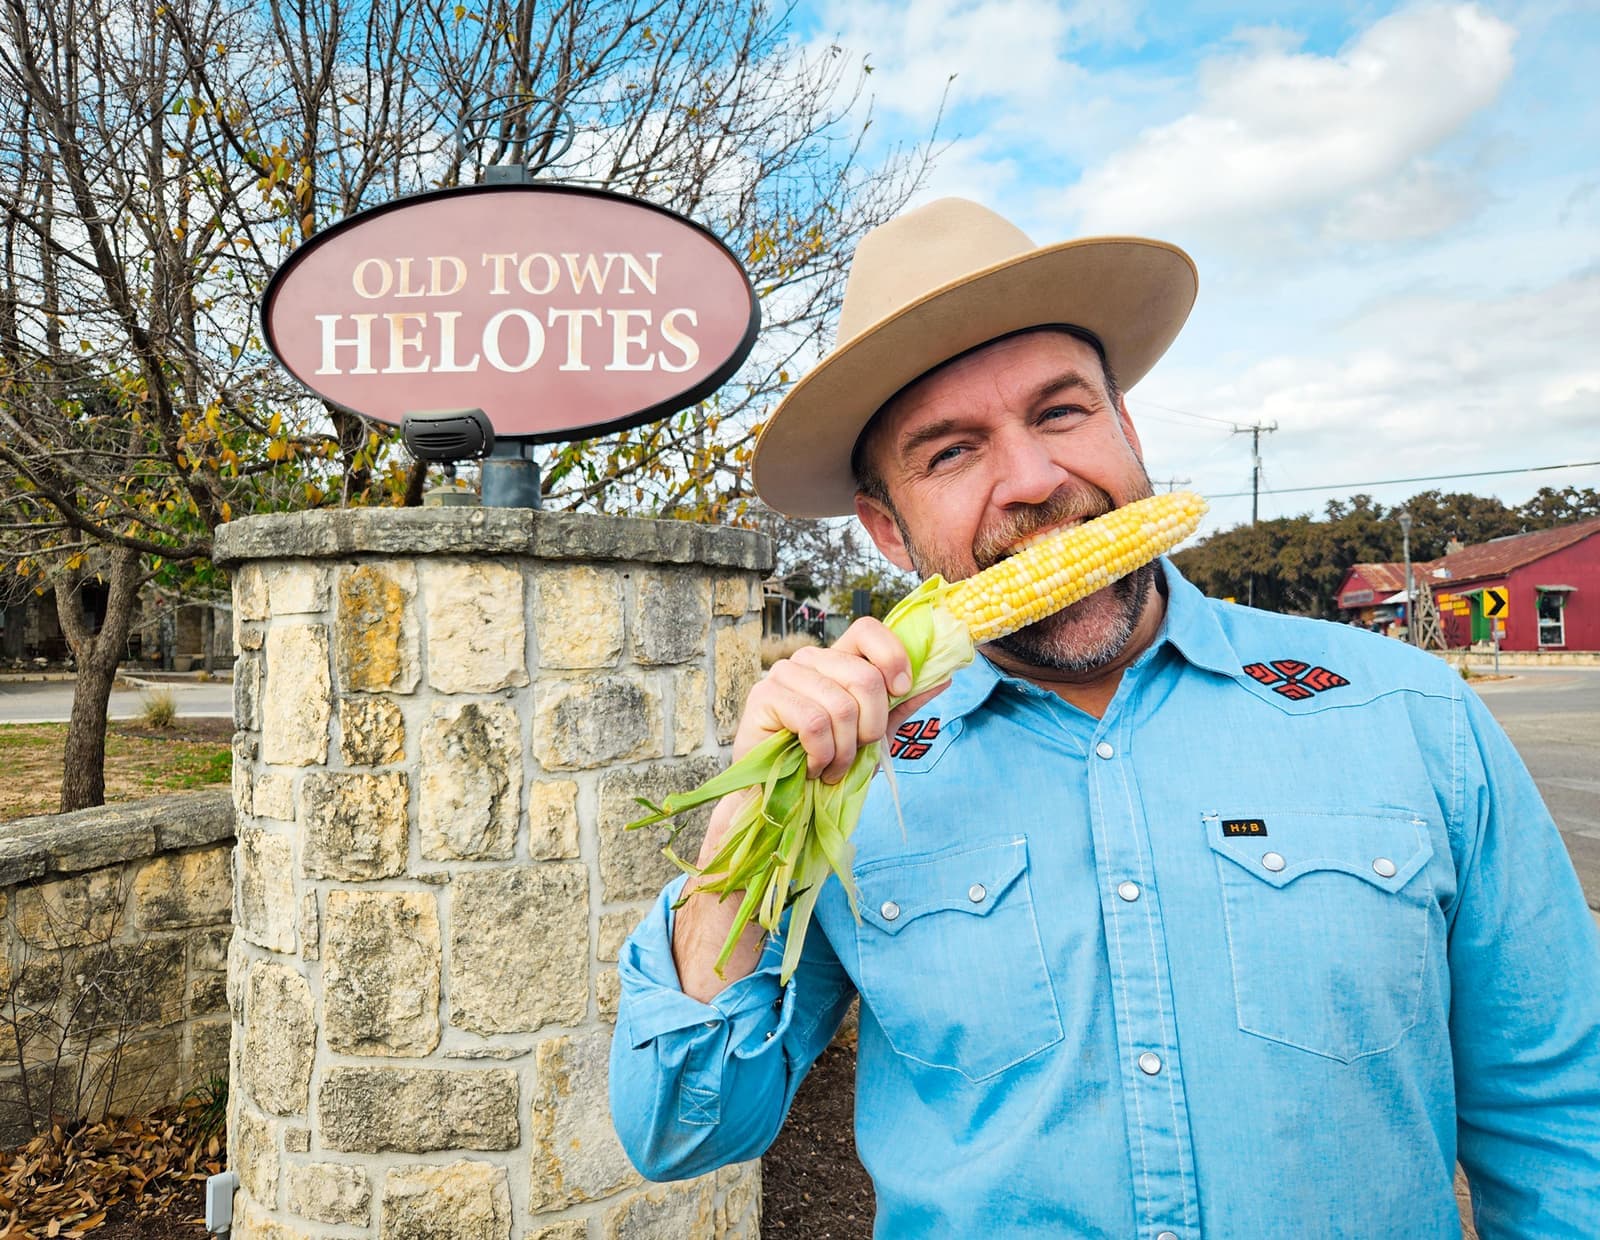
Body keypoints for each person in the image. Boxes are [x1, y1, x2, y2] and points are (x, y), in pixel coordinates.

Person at [608, 198, 1600, 1238]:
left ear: (1127, 429)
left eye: (1062, 413)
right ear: (886, 532)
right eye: (951, 452)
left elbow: (1560, 1124)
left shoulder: (1409, 715)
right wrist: (746, 827)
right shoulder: (851, 778)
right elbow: (684, 1129)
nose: (1036, 481)